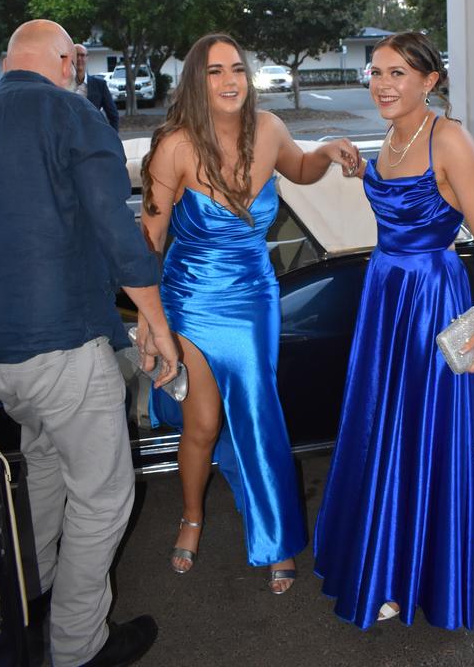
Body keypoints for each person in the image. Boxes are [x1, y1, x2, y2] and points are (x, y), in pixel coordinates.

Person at [139, 33, 359, 589]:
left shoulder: (270, 131)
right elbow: (149, 239)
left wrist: (329, 146)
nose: (230, 80)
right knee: (205, 423)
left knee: (261, 417)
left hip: (252, 297)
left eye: (237, 68)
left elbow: (303, 170)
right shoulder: (176, 146)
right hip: (190, 298)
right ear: (196, 81)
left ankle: (275, 534)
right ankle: (192, 517)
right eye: (215, 71)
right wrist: (150, 321)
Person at [0, 20, 179, 667]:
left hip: (0, 363)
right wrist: (154, 320)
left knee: (43, 463)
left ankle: (30, 596)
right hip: (62, 345)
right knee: (103, 496)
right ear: (68, 60)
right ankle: (78, 646)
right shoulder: (70, 117)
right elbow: (116, 230)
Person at [314, 31, 474, 630]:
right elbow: (392, 201)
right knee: (380, 430)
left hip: (428, 297)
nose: (382, 85)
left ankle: (411, 573)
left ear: (430, 80)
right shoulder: (394, 136)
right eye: (375, 72)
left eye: (397, 73)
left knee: (418, 435)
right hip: (385, 296)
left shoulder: (449, 139)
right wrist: (333, 149)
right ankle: (385, 564)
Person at [74, 42, 120, 131]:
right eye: (76, 55)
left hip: (93, 136)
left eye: (82, 55)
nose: (79, 58)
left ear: (87, 58)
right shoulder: (61, 85)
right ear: (71, 58)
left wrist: (113, 140)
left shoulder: (100, 85)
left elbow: (113, 116)